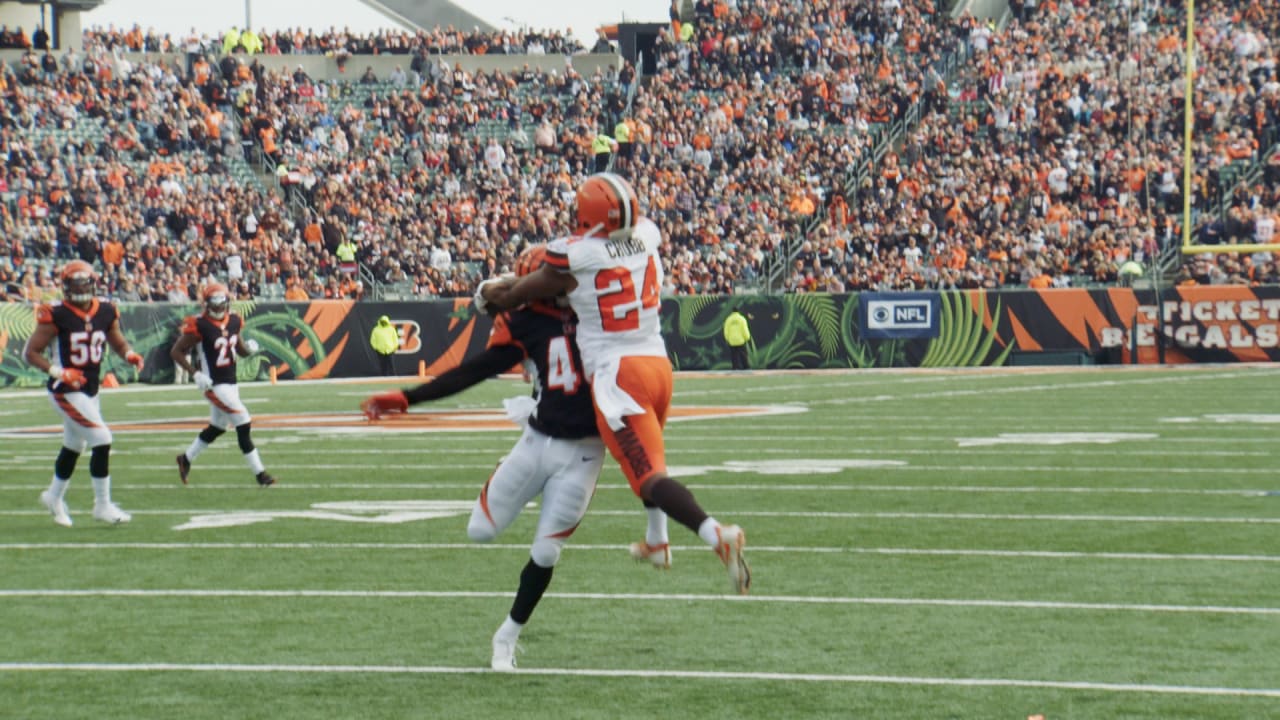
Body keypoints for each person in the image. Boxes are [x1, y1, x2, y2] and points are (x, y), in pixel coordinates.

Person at [360, 244, 662, 670]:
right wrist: (410, 398)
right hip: (537, 441)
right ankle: (511, 473)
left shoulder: (602, 316)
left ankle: (507, 636)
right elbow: (476, 368)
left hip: (584, 453)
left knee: (545, 554)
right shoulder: (528, 322)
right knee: (479, 531)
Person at [479, 172, 750, 595]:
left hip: (618, 376)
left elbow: (516, 294)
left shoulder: (576, 255)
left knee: (647, 477)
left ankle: (716, 534)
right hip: (657, 365)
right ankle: (657, 541)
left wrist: (487, 292)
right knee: (652, 459)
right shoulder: (647, 234)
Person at [23, 260, 144, 526]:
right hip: (65, 390)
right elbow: (30, 353)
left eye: (84, 282)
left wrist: (129, 353)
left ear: (93, 284)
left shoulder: (106, 310)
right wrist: (58, 372)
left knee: (75, 444)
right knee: (101, 438)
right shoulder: (56, 314)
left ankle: (53, 496)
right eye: (74, 283)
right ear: (66, 287)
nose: (80, 288)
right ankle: (102, 505)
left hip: (90, 388)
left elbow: (115, 337)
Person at [169, 283, 276, 487]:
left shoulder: (235, 320)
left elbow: (240, 349)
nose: (218, 309)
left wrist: (250, 349)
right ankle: (260, 474)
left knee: (218, 426)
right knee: (243, 422)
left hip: (231, 382)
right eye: (214, 304)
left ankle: (186, 458)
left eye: (221, 304)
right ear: (206, 304)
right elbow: (176, 351)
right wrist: (195, 373)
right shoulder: (199, 324)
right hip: (213, 385)